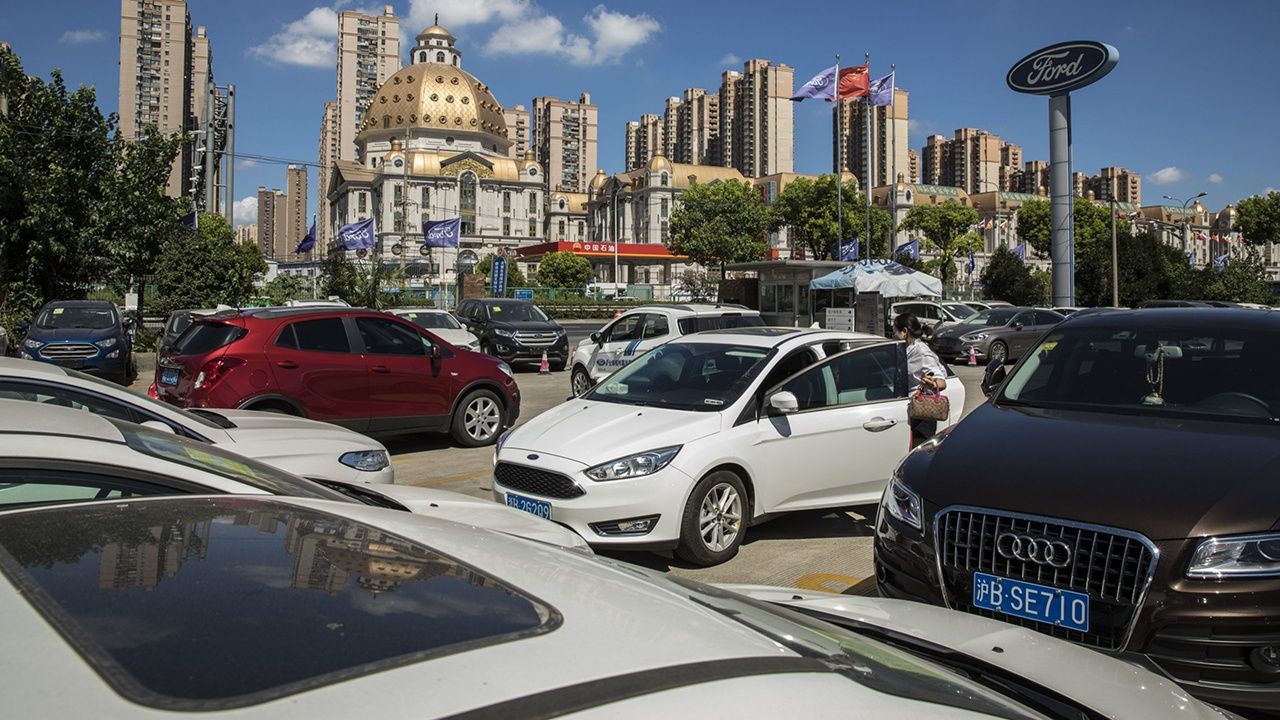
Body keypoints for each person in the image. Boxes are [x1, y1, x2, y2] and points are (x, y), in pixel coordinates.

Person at [893, 312, 947, 447]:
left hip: (921, 415)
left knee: (918, 453)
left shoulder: (922, 352)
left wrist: (932, 383)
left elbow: (941, 381)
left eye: (895, 331)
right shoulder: (907, 350)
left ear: (904, 331)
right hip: (908, 410)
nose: (893, 335)